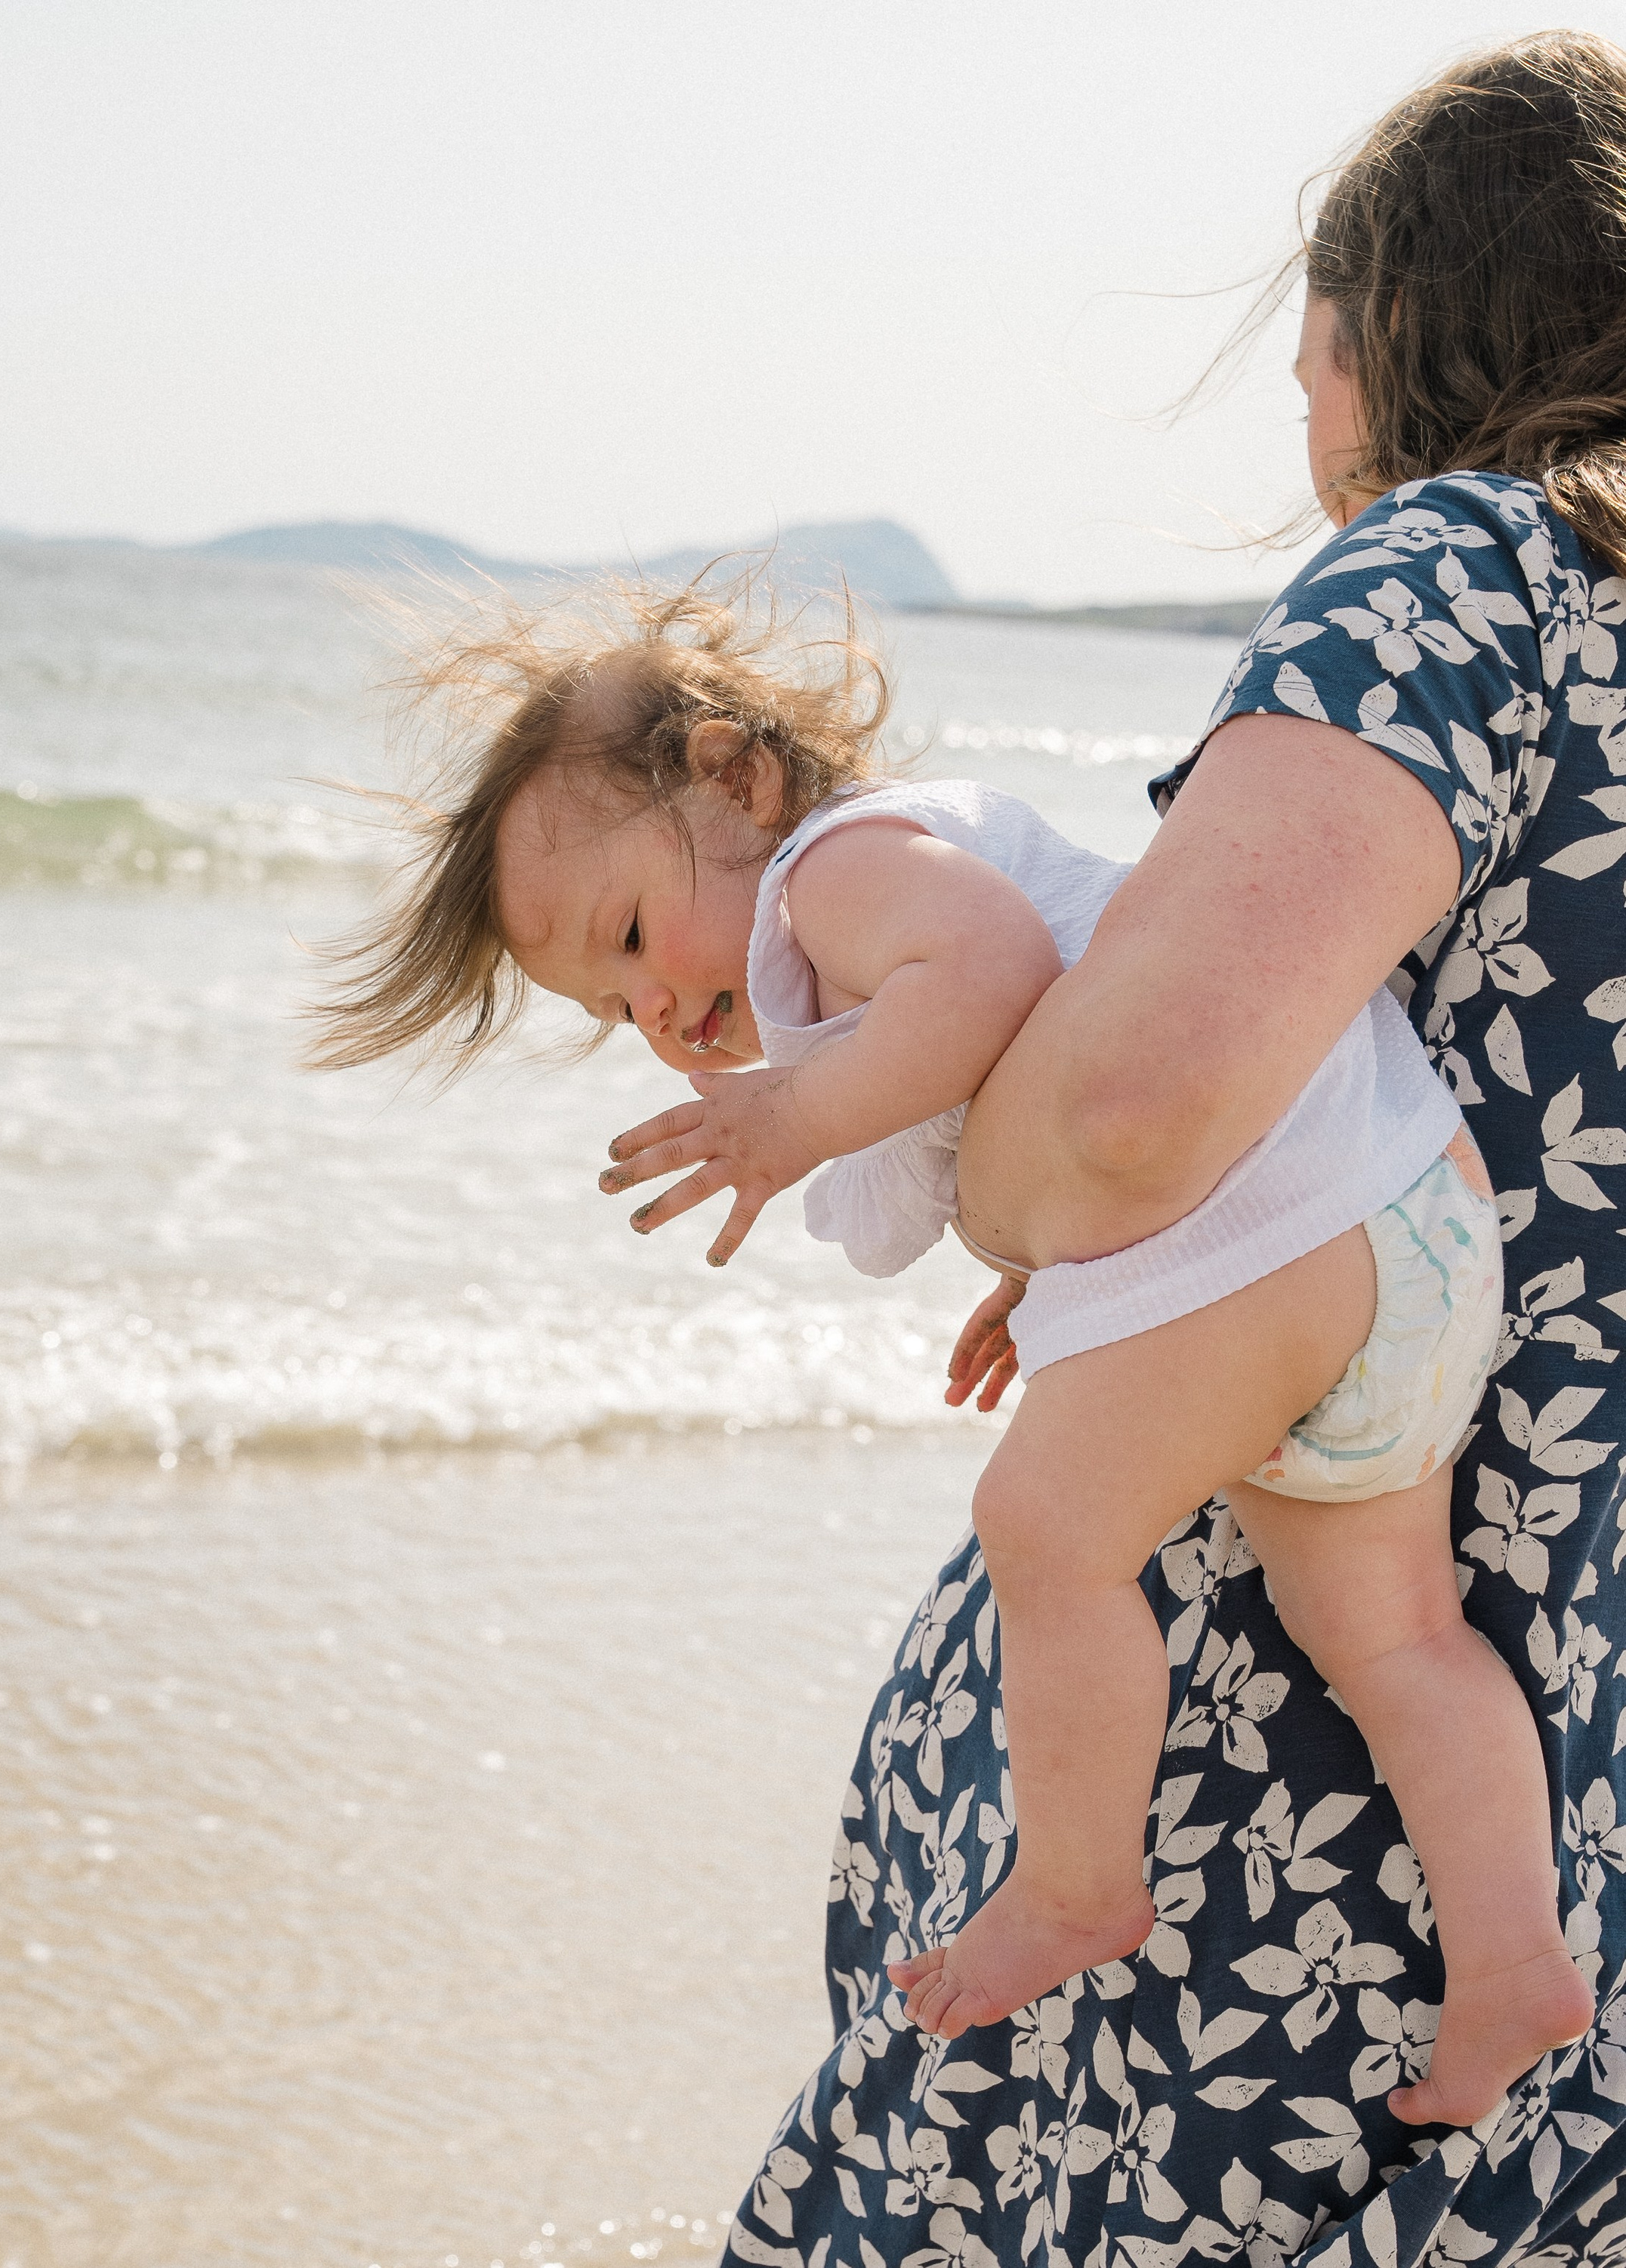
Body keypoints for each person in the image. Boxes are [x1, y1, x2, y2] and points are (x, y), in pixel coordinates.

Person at [702, 29, 1626, 2268]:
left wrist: (1015, 1193)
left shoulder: (1459, 567)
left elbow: (1121, 1116)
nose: (1307, 422)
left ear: (1383, 335)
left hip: (1271, 1808)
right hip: (1552, 1707)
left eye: (1312, 356)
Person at [314, 550, 1580, 2125]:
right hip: (1380, 1239)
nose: (652, 1005)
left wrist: (786, 1114)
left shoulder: (837, 867)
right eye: (608, 1004)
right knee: (1393, 1637)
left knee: (1038, 1531)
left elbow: (990, 978)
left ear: (733, 773)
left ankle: (1073, 1886)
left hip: (1283, 1230)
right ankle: (1514, 1960)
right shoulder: (841, 903)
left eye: (632, 930)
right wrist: (1050, 1284)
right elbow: (1055, 1095)